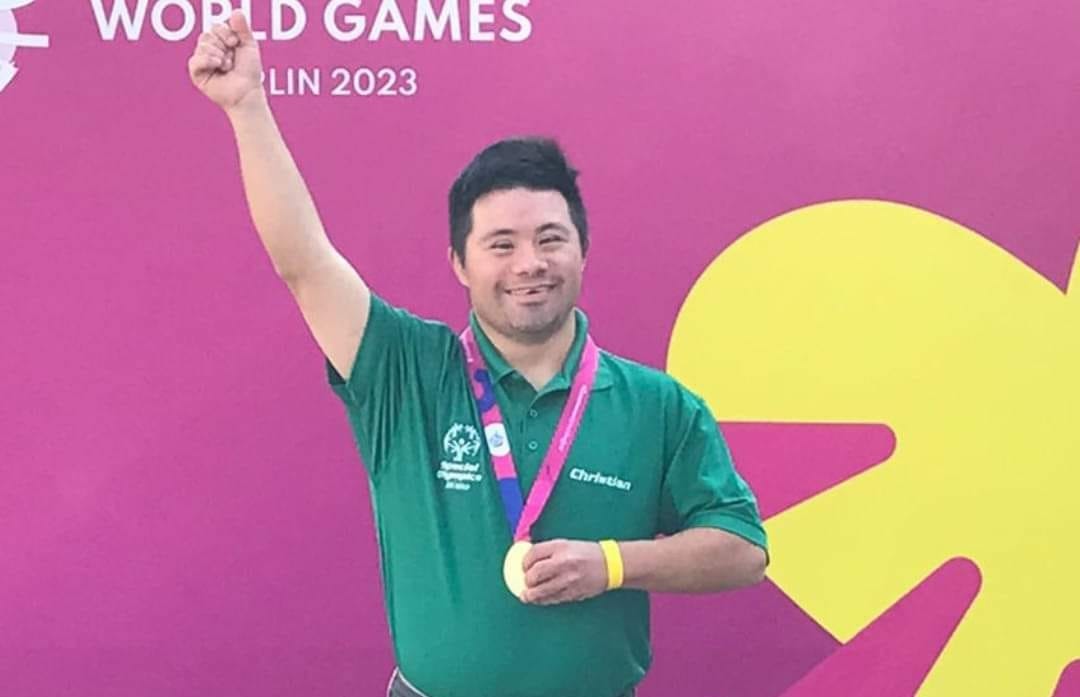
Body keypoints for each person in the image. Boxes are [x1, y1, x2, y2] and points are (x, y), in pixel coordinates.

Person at [187, 10, 769, 697]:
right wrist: (247, 107)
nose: (530, 264)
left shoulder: (658, 405)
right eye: (501, 245)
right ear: (460, 263)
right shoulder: (405, 372)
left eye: (550, 239)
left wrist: (612, 563)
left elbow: (742, 548)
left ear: (582, 250)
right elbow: (304, 263)